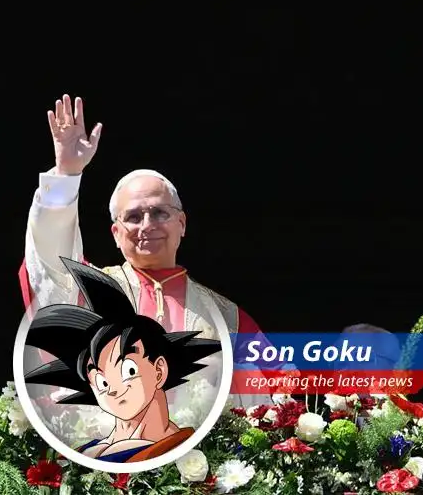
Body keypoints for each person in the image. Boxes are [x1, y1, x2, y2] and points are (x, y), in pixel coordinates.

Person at [18, 93, 273, 407]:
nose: (147, 225)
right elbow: (48, 262)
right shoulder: (89, 291)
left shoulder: (227, 316)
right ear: (115, 233)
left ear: (182, 223)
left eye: (160, 213)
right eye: (134, 217)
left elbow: (279, 390)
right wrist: (66, 175)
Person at [24, 259, 221, 463]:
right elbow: (47, 267)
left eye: (129, 370)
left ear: (159, 371)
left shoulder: (181, 448)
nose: (113, 390)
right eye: (102, 382)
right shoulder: (80, 453)